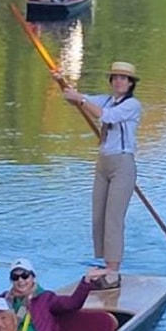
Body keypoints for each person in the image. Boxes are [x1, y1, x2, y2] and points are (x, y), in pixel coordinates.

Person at [61, 61, 143, 291]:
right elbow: (73, 98)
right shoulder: (105, 99)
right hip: (103, 164)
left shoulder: (133, 105)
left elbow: (106, 117)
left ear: (130, 83)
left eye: (123, 78)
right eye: (115, 77)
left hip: (122, 164)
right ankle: (105, 266)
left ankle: (113, 272)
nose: (118, 81)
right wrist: (61, 80)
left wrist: (81, 99)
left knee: (113, 218)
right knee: (98, 216)